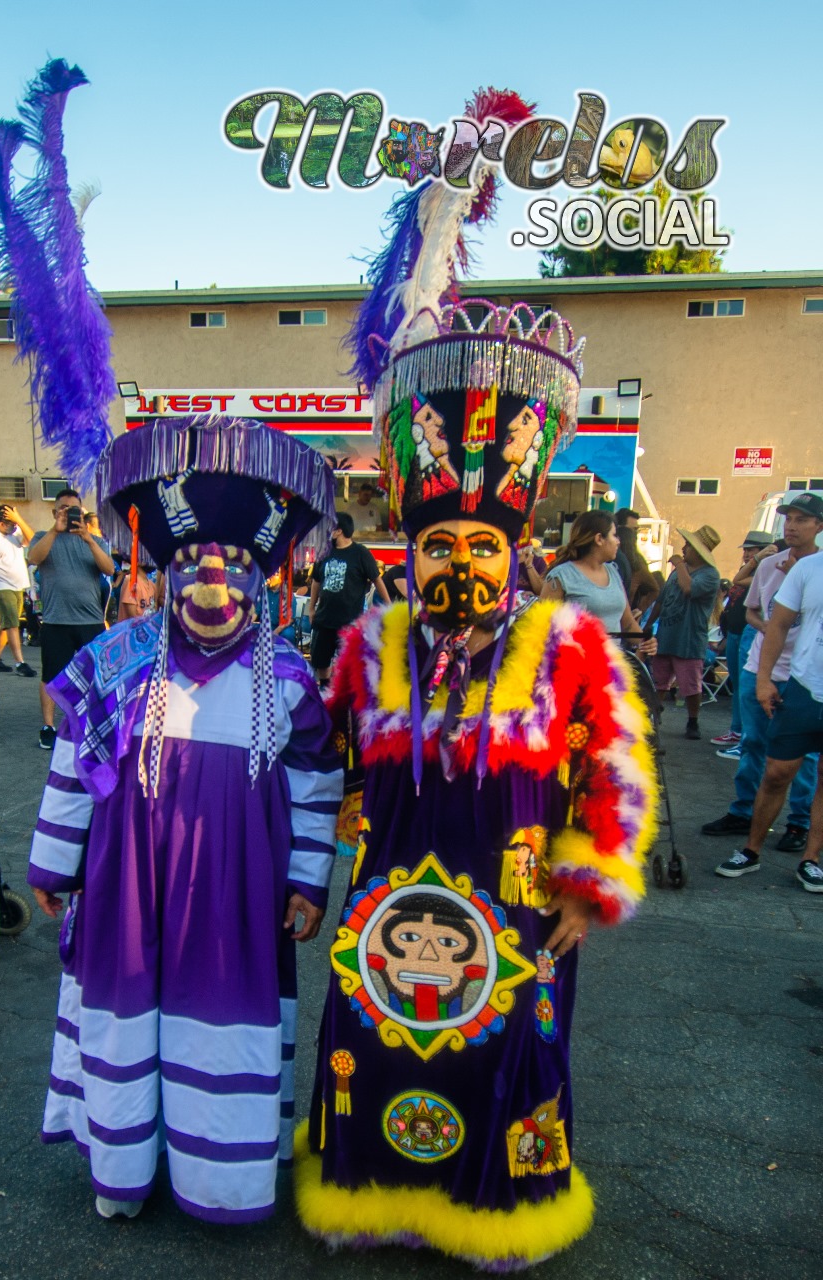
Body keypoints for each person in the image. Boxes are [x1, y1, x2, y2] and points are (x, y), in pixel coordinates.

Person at [296, 269, 656, 1264]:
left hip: (519, 906)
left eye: (482, 544)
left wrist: (592, 884)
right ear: (410, 553)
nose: (462, 561)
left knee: (508, 1050)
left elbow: (618, 770)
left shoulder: (570, 639)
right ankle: (374, 1196)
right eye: (441, 542)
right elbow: (315, 747)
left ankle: (495, 1209)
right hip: (384, 903)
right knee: (372, 1043)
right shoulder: (371, 640)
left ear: (518, 548)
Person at [27, 414, 342, 1220]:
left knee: (217, 1025)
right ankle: (126, 1168)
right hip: (126, 883)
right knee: (130, 1011)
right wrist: (55, 863)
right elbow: (72, 766)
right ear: (163, 574)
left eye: (235, 564)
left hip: (236, 894)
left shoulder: (292, 678)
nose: (214, 582)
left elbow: (314, 782)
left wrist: (308, 879)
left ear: (264, 580)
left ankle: (216, 1178)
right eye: (194, 564)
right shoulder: (116, 660)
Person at [710, 494, 822, 859]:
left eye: (802, 519)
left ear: (818, 527)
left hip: (804, 675)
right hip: (763, 664)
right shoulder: (770, 565)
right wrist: (773, 629)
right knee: (754, 743)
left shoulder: (814, 568)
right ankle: (743, 811)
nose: (791, 525)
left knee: (804, 757)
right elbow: (752, 611)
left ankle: (798, 822)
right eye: (788, 518)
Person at [27, 489, 114, 749]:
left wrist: (88, 538)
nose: (68, 513)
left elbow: (109, 569)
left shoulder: (95, 540)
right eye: (63, 508)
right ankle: (48, 726)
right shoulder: (43, 537)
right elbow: (34, 558)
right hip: (57, 620)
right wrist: (56, 530)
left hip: (90, 621)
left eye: (74, 509)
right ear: (55, 513)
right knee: (51, 675)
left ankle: (93, 723)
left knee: (95, 675)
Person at [540, 511, 655, 657]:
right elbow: (543, 630)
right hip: (574, 669)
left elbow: (627, 624)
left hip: (612, 670)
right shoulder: (561, 576)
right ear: (599, 539)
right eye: (614, 535)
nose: (618, 541)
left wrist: (645, 641)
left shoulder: (613, 572)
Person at [650, 525, 722, 740]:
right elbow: (662, 600)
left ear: (699, 551)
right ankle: (652, 717)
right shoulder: (676, 573)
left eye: (688, 546)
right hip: (666, 635)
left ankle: (693, 721)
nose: (683, 548)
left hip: (689, 639)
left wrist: (679, 564)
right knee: (658, 681)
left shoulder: (710, 575)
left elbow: (689, 588)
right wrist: (649, 624)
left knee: (690, 685)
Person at [711, 531, 776, 756]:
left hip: (751, 633)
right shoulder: (756, 571)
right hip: (737, 632)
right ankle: (737, 731)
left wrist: (759, 560)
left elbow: (739, 579)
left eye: (752, 550)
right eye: (746, 550)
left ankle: (745, 738)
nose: (746, 554)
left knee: (747, 687)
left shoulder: (770, 572)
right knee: (739, 685)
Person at [308, 512, 390, 683]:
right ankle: (325, 690)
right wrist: (311, 607)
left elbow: (377, 579)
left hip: (350, 620)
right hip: (324, 618)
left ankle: (346, 697)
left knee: (351, 663)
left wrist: (389, 604)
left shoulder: (360, 553)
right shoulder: (325, 552)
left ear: (339, 531)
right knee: (321, 661)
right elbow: (316, 581)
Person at [0, 504, 38, 678]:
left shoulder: (15, 532)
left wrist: (18, 520)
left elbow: (32, 540)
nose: (14, 527)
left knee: (6, 621)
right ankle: (20, 662)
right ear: (2, 523)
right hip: (0, 585)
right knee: (12, 623)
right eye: (11, 524)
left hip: (17, 585)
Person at [615, 512, 659, 616]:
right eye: (632, 530)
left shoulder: (637, 561)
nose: (636, 534)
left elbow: (654, 589)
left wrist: (637, 612)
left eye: (637, 530)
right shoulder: (603, 558)